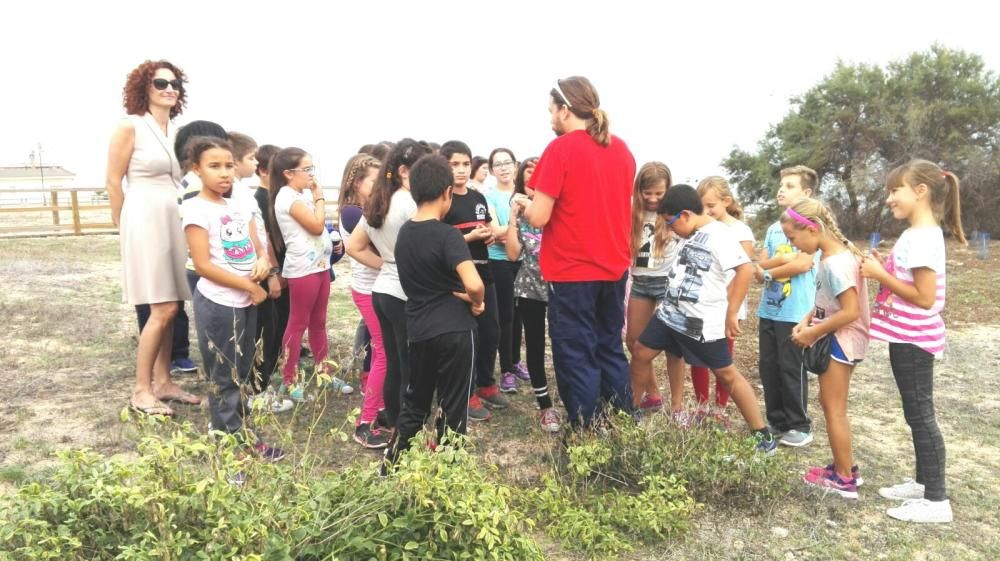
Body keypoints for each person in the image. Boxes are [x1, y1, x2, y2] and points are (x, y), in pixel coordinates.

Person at [629, 185, 777, 453]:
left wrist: (731, 313)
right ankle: (631, 413)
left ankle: (762, 435)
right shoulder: (693, 233)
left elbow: (744, 269)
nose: (671, 229)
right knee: (640, 352)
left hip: (699, 323)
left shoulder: (720, 235)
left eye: (672, 223)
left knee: (726, 374)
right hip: (670, 315)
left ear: (685, 215)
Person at [522, 76, 635, 427]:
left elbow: (539, 217)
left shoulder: (560, 149)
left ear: (565, 109)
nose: (550, 117)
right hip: (613, 267)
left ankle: (587, 433)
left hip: (572, 271)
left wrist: (522, 206)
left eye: (551, 110)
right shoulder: (622, 149)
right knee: (609, 348)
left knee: (576, 354)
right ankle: (622, 426)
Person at [861, 159, 966, 524]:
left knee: (921, 415)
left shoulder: (922, 237)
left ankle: (936, 500)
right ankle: (924, 483)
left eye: (895, 190)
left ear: (920, 191)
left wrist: (878, 274)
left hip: (914, 339)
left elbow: (923, 297)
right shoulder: (914, 234)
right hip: (904, 336)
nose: (889, 198)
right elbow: (904, 281)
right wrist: (881, 267)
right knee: (915, 413)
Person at [106, 59, 200, 416]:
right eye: (161, 83)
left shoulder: (175, 132)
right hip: (143, 218)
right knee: (160, 308)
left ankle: (163, 381)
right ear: (144, 87)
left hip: (172, 217)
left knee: (173, 304)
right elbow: (114, 182)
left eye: (174, 83)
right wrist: (123, 227)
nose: (169, 89)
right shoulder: (130, 126)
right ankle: (141, 389)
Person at [182, 137, 284, 460]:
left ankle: (242, 435)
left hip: (245, 302)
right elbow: (203, 265)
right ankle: (230, 450)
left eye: (228, 165)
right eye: (214, 166)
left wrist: (263, 265)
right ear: (196, 169)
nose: (224, 173)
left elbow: (256, 246)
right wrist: (249, 286)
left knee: (242, 372)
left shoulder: (235, 205)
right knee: (225, 377)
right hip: (220, 304)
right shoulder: (195, 208)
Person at [384, 154, 484, 470]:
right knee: (453, 407)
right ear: (446, 193)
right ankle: (446, 477)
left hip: (419, 329)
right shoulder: (448, 234)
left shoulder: (405, 234)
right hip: (454, 329)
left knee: (415, 404)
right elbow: (475, 283)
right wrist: (476, 300)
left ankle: (391, 467)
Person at [780, 198, 870, 498]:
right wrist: (807, 320)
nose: (794, 246)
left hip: (840, 341)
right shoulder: (829, 257)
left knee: (834, 409)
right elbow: (825, 303)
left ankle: (844, 478)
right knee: (831, 405)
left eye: (794, 238)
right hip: (833, 336)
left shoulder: (835, 264)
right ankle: (843, 467)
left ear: (812, 228)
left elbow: (849, 311)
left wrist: (812, 334)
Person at [347, 139, 435, 432]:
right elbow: (427, 251)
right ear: (404, 171)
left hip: (383, 290)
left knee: (395, 363)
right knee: (410, 365)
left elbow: (354, 246)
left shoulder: (380, 201)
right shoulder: (410, 204)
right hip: (405, 292)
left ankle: (396, 421)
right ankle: (409, 429)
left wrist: (387, 263)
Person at [441, 140, 510, 417]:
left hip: (485, 271)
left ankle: (485, 383)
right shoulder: (443, 200)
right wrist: (468, 238)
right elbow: (438, 241)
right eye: (454, 164)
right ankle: (466, 394)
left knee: (490, 331)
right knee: (465, 337)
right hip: (457, 278)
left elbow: (489, 229)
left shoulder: (478, 197)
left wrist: (490, 234)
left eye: (466, 164)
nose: (461, 170)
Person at [754, 166, 819, 447]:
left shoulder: (812, 227)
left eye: (790, 186)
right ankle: (777, 421)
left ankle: (799, 425)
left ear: (806, 193)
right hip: (769, 308)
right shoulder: (772, 229)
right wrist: (779, 265)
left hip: (795, 311)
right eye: (782, 185)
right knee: (769, 366)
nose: (782, 190)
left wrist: (769, 270)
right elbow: (760, 262)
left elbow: (803, 263)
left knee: (792, 367)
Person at [266, 147, 335, 403]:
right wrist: (319, 198)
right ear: (288, 173)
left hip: (320, 265)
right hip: (303, 270)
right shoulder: (288, 198)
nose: (310, 174)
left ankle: (323, 370)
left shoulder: (299, 194)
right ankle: (289, 377)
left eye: (311, 168)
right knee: (298, 323)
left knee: (319, 321)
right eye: (306, 169)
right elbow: (316, 227)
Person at [338, 153, 391, 449]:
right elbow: (373, 251)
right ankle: (365, 423)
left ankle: (381, 407)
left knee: (388, 354)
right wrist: (394, 265)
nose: (383, 185)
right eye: (375, 180)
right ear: (358, 182)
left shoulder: (367, 209)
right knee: (383, 355)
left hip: (377, 290)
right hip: (369, 291)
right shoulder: (352, 213)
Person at [690, 176, 755, 420]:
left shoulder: (740, 231)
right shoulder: (700, 229)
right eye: (702, 206)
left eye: (711, 206)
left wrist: (728, 308)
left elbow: (742, 273)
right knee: (697, 359)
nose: (706, 211)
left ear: (726, 201)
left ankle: (720, 409)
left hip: (727, 308)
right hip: (702, 307)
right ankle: (701, 406)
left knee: (722, 361)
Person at [506, 157, 561, 432]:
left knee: (563, 343)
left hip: (560, 286)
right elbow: (513, 254)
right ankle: (545, 406)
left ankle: (570, 395)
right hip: (529, 287)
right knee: (536, 345)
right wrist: (514, 220)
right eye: (529, 182)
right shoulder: (519, 217)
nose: (533, 188)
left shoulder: (557, 212)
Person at [624, 162, 672, 412]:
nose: (653, 198)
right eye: (647, 193)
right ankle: (652, 394)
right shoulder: (633, 212)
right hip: (641, 280)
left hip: (666, 282)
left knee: (671, 345)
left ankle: (675, 405)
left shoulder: (674, 213)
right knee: (634, 341)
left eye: (658, 193)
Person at [484, 148, 527, 393]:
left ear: (515, 165)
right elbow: (493, 230)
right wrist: (513, 231)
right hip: (498, 261)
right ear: (491, 170)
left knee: (520, 315)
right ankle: (507, 370)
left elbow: (530, 228)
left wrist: (506, 232)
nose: (503, 167)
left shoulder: (523, 194)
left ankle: (516, 362)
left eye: (507, 162)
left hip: (522, 261)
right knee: (505, 316)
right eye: (497, 164)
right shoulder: (488, 197)